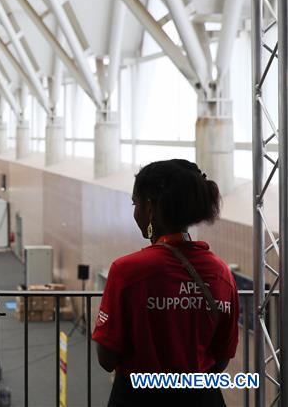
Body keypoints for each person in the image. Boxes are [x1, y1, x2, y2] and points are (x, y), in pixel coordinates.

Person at [93, 159, 239, 407]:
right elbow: (222, 357)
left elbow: (107, 357)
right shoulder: (221, 273)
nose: (135, 211)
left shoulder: (126, 271)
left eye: (135, 203)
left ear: (150, 208)